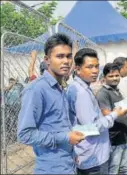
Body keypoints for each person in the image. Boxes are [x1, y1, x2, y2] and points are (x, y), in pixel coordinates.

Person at [17, 33, 85, 174]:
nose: (66, 61)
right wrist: (66, 137)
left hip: (68, 163)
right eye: (60, 56)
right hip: (51, 168)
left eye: (68, 56)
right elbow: (24, 134)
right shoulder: (36, 89)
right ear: (47, 60)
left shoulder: (61, 86)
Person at [67, 48, 127, 175]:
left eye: (96, 66)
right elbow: (91, 128)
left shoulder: (85, 88)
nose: (95, 71)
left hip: (97, 152)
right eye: (89, 67)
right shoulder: (81, 93)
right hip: (93, 157)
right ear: (77, 69)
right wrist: (116, 113)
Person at [96, 63, 127, 174]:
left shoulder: (117, 90)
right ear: (104, 77)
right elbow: (107, 115)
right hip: (114, 139)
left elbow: (121, 110)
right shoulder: (103, 94)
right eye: (111, 76)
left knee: (124, 169)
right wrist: (126, 110)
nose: (115, 78)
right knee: (114, 170)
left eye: (117, 75)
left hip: (123, 136)